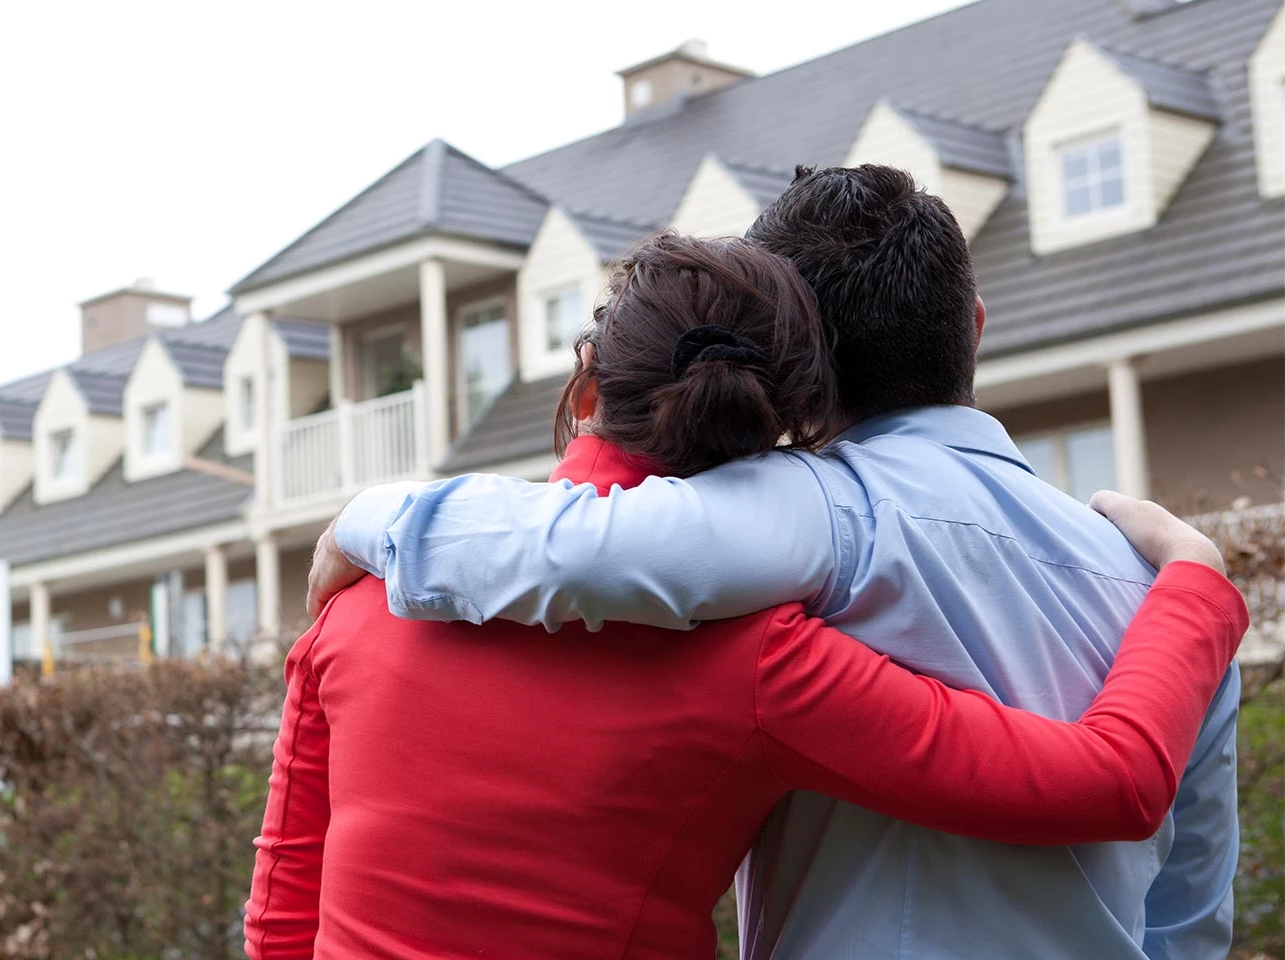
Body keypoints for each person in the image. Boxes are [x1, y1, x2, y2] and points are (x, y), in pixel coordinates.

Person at [305, 167, 1242, 958]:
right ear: (976, 324)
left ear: (794, 365)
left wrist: (369, 518)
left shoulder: (813, 513)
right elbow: (1191, 915)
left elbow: (577, 543)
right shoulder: (1156, 593)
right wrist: (1196, 581)